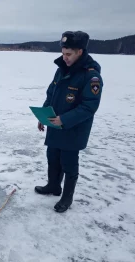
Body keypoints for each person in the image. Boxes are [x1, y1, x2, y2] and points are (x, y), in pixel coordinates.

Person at [34, 31, 103, 213]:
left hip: (73, 129)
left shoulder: (91, 76)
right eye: (63, 53)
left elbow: (89, 106)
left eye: (68, 54)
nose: (64, 58)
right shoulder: (61, 69)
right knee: (53, 157)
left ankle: (67, 197)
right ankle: (53, 186)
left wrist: (64, 119)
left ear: (80, 51)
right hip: (55, 125)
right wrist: (43, 114)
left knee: (69, 162)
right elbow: (51, 93)